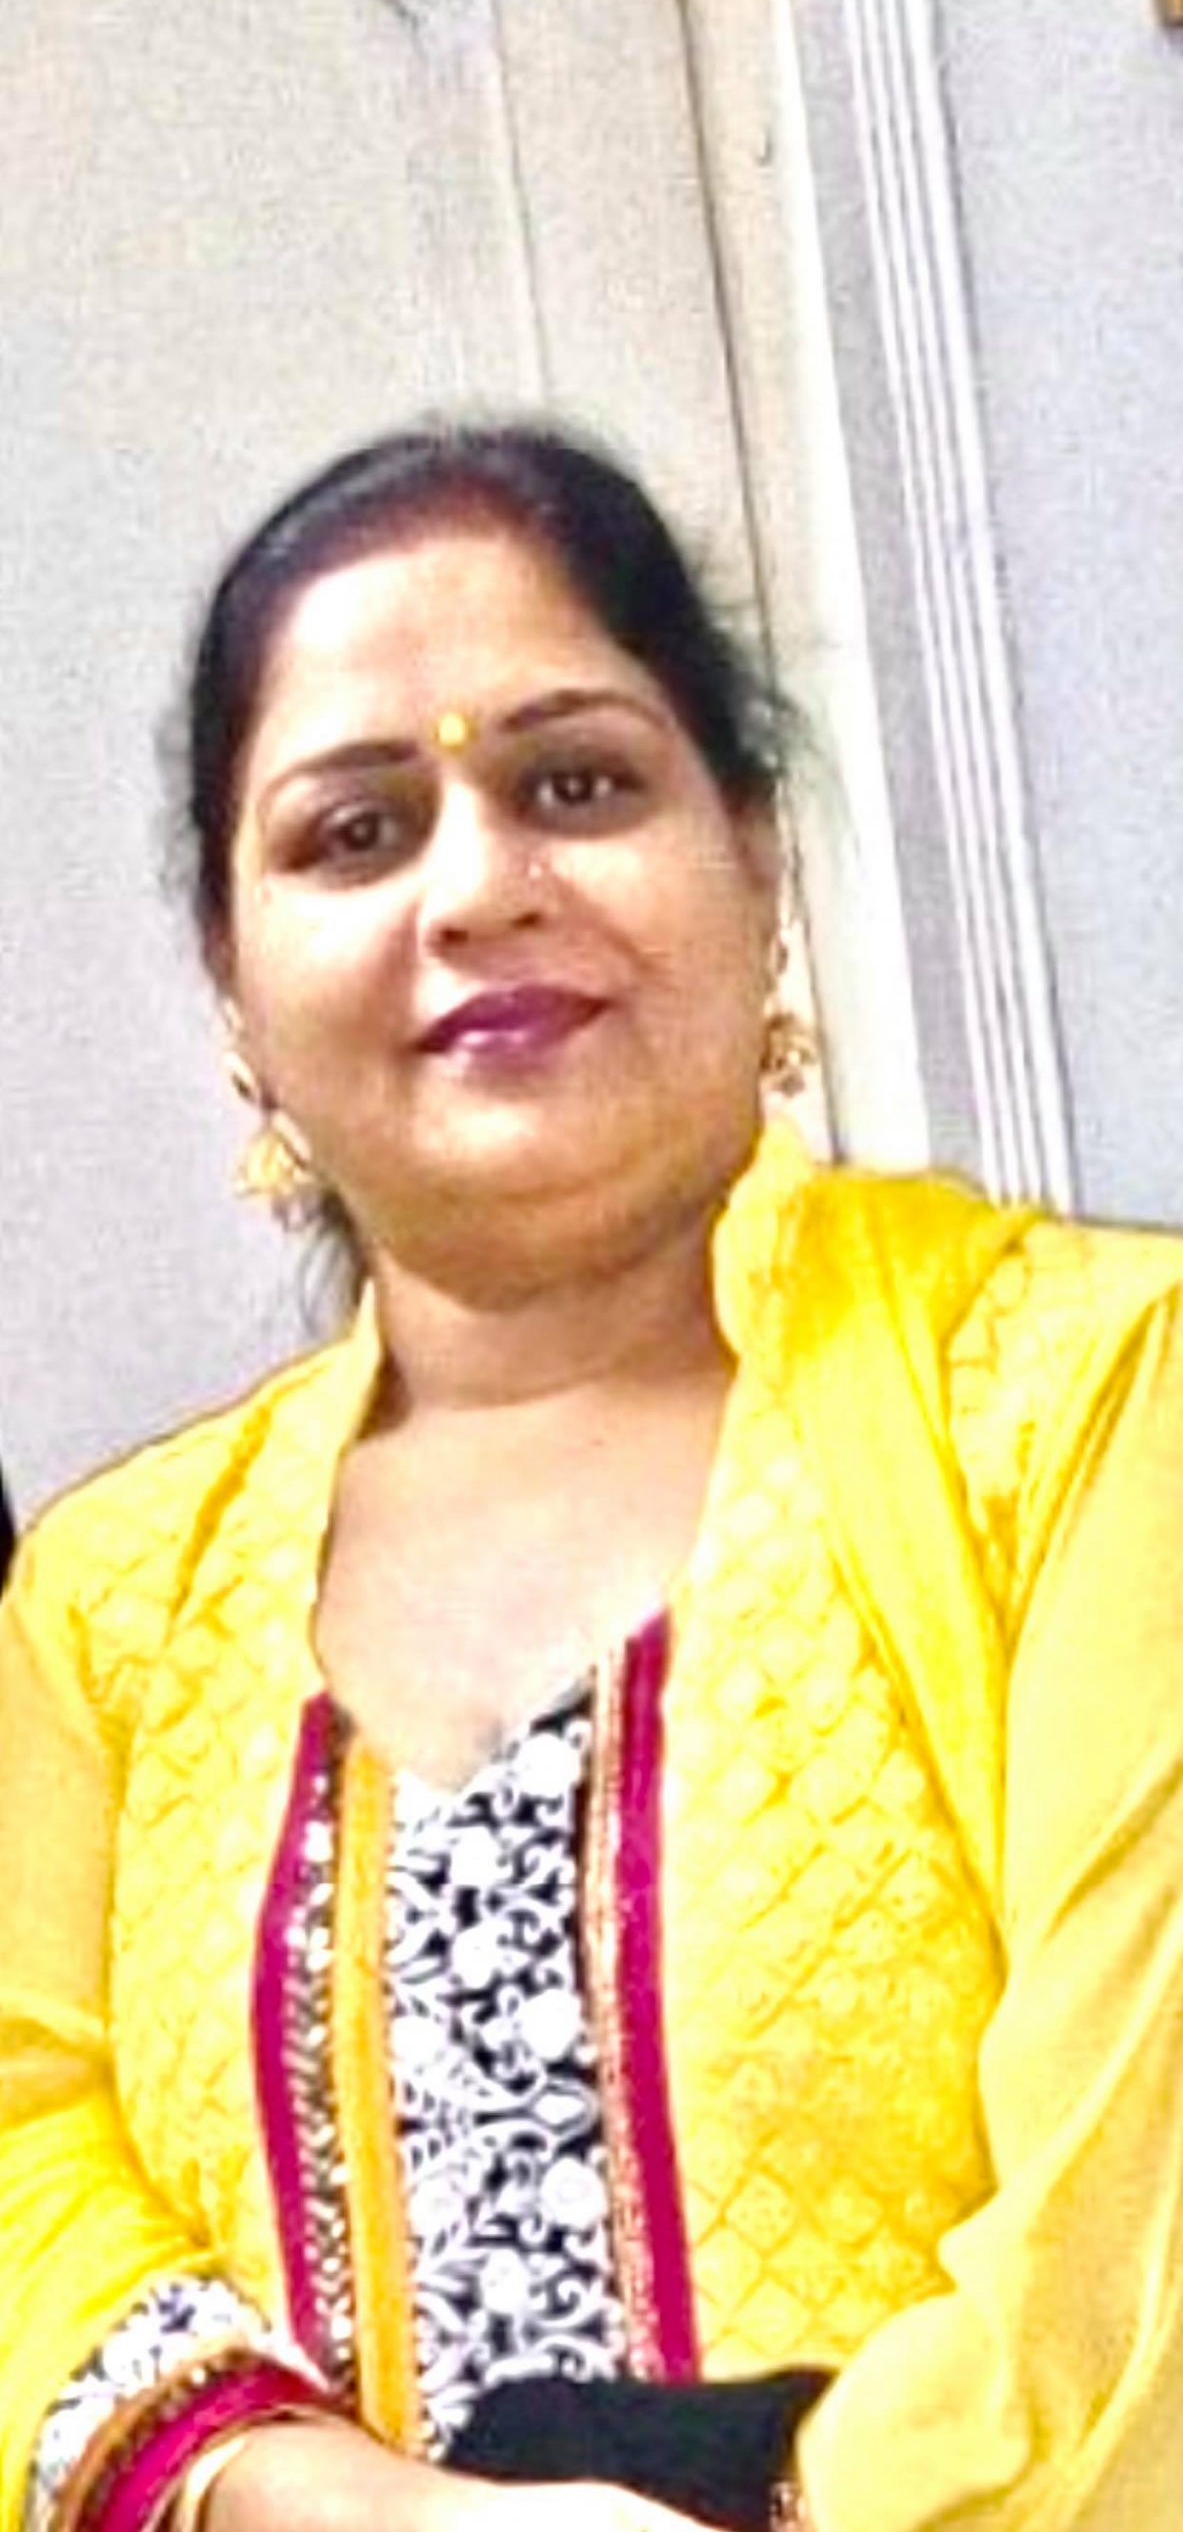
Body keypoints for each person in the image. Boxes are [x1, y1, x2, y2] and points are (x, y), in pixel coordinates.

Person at [3, 422, 1183, 2532]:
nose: (480, 888)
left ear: (757, 863)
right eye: (356, 830)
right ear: (233, 988)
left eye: (575, 785)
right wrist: (338, 2504)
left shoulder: (1081, 1406)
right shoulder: (110, 1607)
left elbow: (1130, 2269)